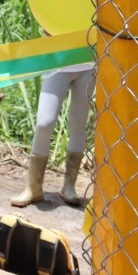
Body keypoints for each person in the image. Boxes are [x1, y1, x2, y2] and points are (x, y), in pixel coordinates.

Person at [10, 62, 93, 208]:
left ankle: (69, 187)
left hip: (89, 65)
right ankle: (34, 188)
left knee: (78, 125)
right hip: (57, 64)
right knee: (44, 123)